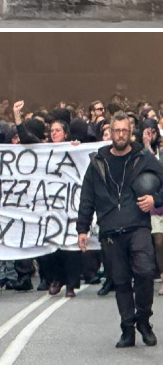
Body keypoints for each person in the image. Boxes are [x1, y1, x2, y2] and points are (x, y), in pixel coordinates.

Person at [77, 112, 163, 347]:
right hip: (110, 230)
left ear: (131, 132)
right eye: (117, 131)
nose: (121, 135)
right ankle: (128, 329)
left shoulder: (144, 157)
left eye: (125, 131)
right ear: (111, 132)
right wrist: (82, 229)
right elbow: (87, 197)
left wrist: (154, 200)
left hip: (138, 226)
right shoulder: (97, 162)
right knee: (121, 282)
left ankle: (144, 320)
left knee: (145, 272)